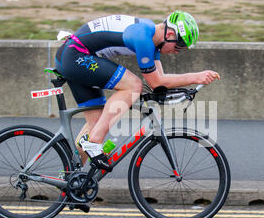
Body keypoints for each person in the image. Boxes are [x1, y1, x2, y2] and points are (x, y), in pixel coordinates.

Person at [54, 11, 220, 172]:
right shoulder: (143, 37)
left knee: (96, 125)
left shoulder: (153, 42)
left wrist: (184, 91)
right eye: (180, 45)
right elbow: (156, 81)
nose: (178, 51)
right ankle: (94, 142)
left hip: (74, 57)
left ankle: (69, 181)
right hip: (75, 56)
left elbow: (160, 82)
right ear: (169, 34)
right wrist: (196, 77)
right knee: (133, 85)